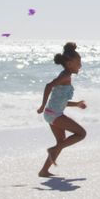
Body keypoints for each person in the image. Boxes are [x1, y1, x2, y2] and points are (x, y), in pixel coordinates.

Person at [37, 42, 87, 177]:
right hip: (54, 115)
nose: (80, 65)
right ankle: (53, 150)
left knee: (61, 142)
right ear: (70, 63)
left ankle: (44, 171)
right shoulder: (64, 76)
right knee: (81, 134)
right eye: (78, 62)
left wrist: (76, 104)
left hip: (52, 113)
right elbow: (48, 86)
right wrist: (42, 105)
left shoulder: (66, 76)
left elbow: (60, 101)